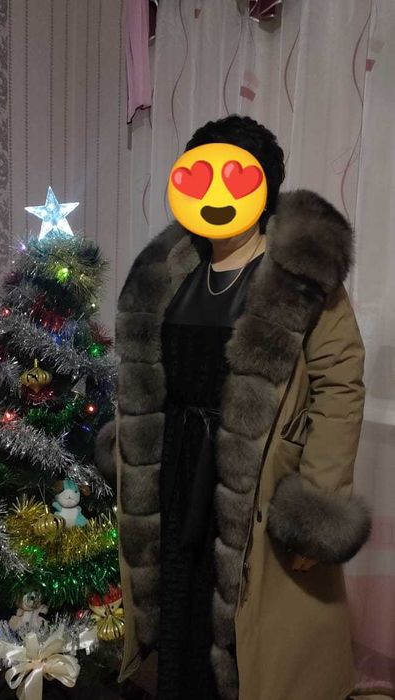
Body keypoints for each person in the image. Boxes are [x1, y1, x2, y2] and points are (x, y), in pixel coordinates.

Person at [95, 115, 372, 700]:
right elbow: (145, 379)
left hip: (257, 488)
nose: (216, 192)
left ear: (265, 186)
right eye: (201, 176)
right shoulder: (165, 271)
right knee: (180, 618)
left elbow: (340, 387)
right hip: (174, 475)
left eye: (235, 176)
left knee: (249, 645)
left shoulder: (299, 276)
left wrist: (316, 502)